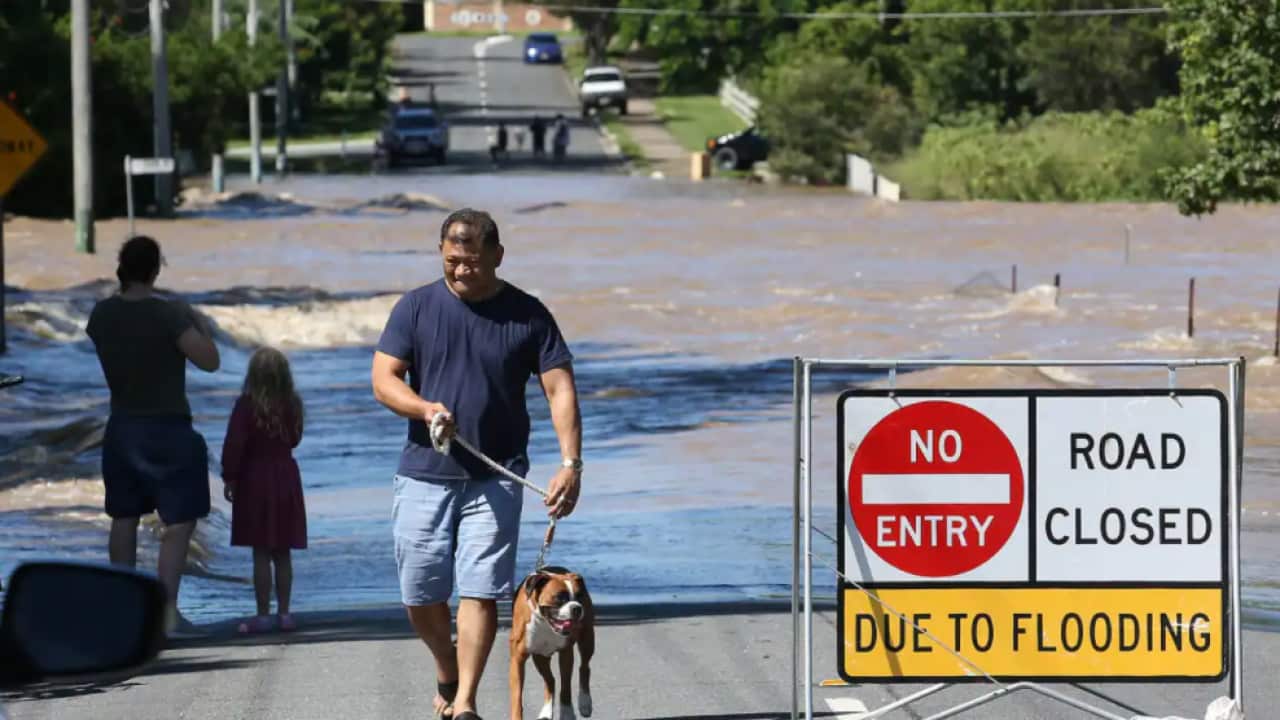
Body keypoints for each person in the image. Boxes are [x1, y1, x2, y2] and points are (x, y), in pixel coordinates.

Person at [371, 208, 582, 720]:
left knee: (481, 590)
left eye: (471, 262)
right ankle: (447, 663)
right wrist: (424, 408)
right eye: (451, 261)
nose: (461, 270)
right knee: (420, 593)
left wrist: (570, 463)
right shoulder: (416, 308)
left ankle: (464, 700)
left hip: (498, 475)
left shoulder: (528, 314)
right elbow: (384, 378)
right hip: (424, 471)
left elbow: (559, 388)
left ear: (497, 256)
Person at [86, 235, 221, 637]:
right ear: (156, 269)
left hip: (122, 427)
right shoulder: (168, 316)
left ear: (121, 267)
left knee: (123, 517)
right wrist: (193, 318)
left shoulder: (101, 315)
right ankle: (165, 613)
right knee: (179, 522)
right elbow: (210, 361)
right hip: (166, 428)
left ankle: (123, 610)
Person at [221, 346, 307, 635]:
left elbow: (234, 444)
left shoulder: (246, 405)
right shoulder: (292, 403)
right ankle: (285, 613)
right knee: (282, 552)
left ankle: (262, 615)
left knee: (261, 551)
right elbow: (294, 439)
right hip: (285, 475)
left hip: (254, 478)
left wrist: (230, 477)